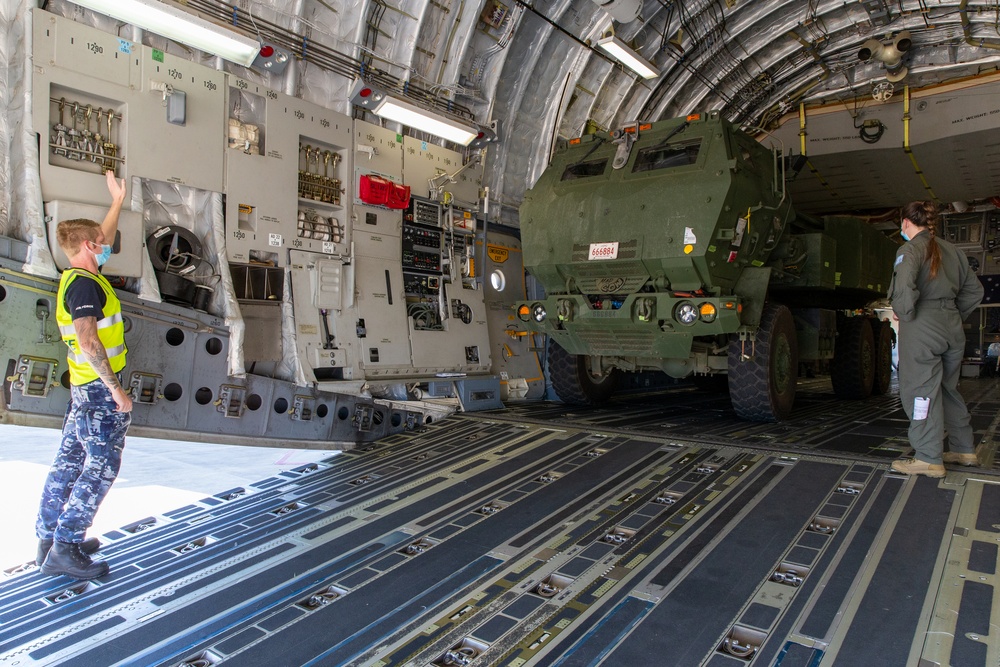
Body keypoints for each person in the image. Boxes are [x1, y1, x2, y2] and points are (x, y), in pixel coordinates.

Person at [35, 170, 133, 579]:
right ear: (90, 246)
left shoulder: (77, 276)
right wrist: (116, 391)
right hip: (97, 391)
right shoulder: (85, 288)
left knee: (69, 460)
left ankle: (49, 536)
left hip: (82, 388)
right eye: (102, 244)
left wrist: (116, 202)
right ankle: (67, 546)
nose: (108, 246)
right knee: (102, 466)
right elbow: (90, 341)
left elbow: (102, 235)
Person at [888, 201, 983, 478]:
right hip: (952, 325)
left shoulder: (909, 250)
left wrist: (905, 314)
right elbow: (974, 292)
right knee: (947, 388)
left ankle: (929, 457)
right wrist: (952, 314)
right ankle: (964, 449)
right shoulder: (953, 251)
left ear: (906, 222)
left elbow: (903, 292)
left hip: (922, 324)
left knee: (920, 390)